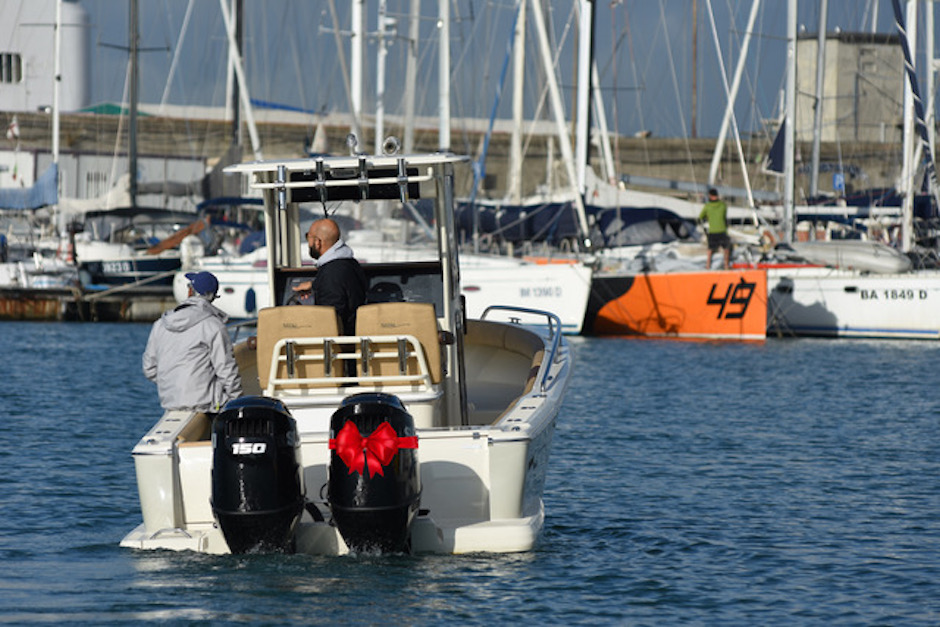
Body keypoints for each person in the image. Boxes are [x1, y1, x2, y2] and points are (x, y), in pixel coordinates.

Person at [142, 271, 242, 413]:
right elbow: (226, 370)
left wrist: (173, 384)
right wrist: (237, 399)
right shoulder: (214, 326)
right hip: (206, 404)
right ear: (213, 297)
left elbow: (149, 369)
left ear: (190, 291)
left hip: (170, 402)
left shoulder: (160, 324)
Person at [291, 218, 367, 335]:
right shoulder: (349, 264)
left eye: (308, 237)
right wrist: (314, 285)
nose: (308, 243)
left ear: (318, 242)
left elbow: (330, 320)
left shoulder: (332, 273)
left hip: (339, 347)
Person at [698, 188, 731, 270]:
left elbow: (701, 217)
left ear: (710, 196)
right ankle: (726, 265)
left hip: (713, 231)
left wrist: (707, 217)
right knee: (726, 248)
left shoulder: (707, 206)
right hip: (722, 230)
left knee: (710, 250)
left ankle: (708, 265)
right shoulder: (723, 205)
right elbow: (724, 216)